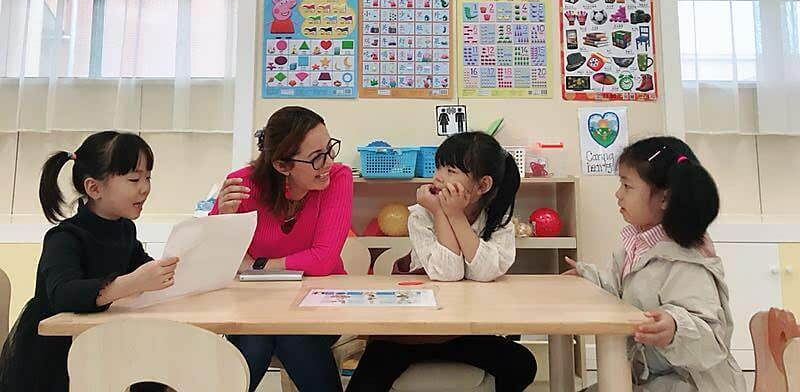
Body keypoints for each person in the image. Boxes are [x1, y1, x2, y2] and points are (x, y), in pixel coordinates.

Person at [347, 132, 536, 392]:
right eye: (438, 167)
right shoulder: (420, 215)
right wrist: (440, 212)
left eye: (450, 170)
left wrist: (455, 216)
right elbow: (448, 273)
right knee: (366, 381)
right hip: (408, 334)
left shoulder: (497, 220)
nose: (438, 177)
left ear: (482, 186)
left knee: (522, 364)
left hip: (465, 331)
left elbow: (485, 271)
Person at [564, 136, 746, 392]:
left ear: (664, 199)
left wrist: (674, 327)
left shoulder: (687, 260)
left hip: (688, 384)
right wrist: (589, 280)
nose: (618, 195)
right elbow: (620, 293)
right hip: (646, 378)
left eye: (626, 186)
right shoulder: (634, 244)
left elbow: (712, 340)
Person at [0, 131, 179, 392]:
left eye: (148, 177)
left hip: (100, 344)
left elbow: (144, 269)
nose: (145, 188)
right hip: (54, 360)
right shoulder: (64, 237)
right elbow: (64, 294)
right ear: (94, 188)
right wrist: (131, 283)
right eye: (133, 179)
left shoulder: (124, 230)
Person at [212, 106, 352, 392]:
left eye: (329, 149)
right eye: (316, 158)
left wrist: (257, 265)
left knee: (294, 334)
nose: (328, 163)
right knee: (257, 337)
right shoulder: (242, 185)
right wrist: (222, 219)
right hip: (254, 307)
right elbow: (212, 258)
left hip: (319, 304)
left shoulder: (338, 178)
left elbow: (324, 259)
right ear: (281, 165)